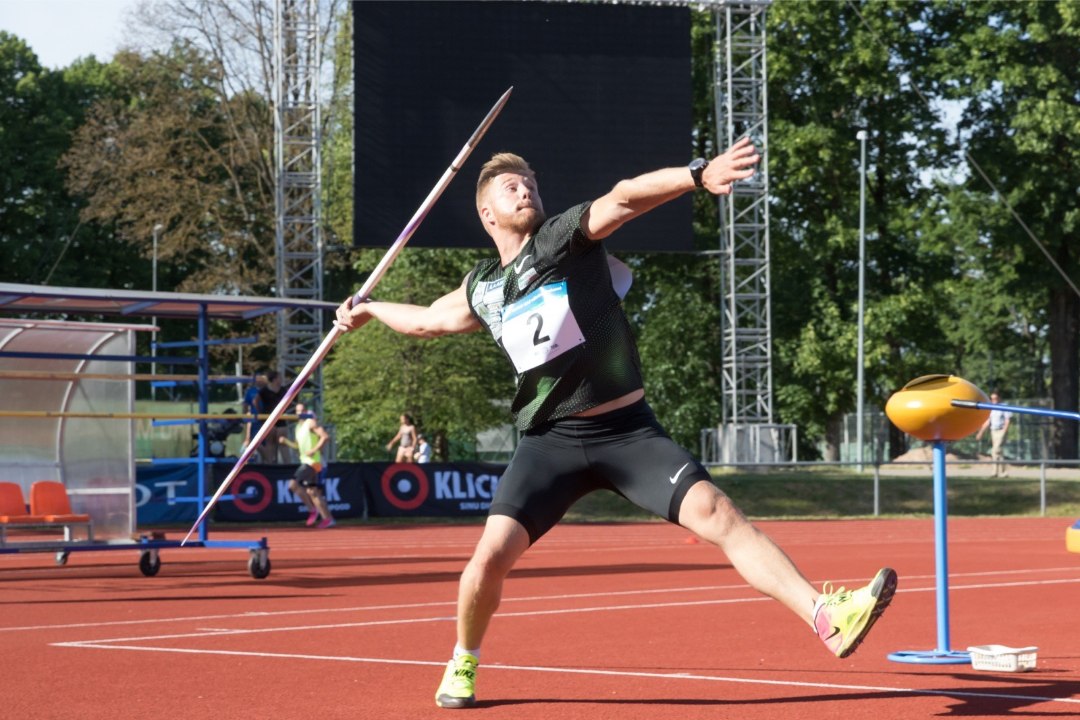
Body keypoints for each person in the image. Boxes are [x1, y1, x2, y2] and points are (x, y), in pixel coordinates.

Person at [334, 137, 897, 710]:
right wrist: (368, 310)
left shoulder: (560, 241)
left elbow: (624, 198)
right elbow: (430, 320)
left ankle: (827, 616)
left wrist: (696, 175)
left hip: (627, 432)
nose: (526, 189)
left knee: (720, 513)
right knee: (488, 558)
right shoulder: (484, 287)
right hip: (548, 444)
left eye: (530, 182)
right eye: (512, 186)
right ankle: (463, 661)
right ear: (487, 212)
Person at [279, 402, 335, 528]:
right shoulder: (298, 428)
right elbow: (298, 447)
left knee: (293, 485)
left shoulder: (310, 422)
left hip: (313, 463)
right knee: (313, 492)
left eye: (303, 410)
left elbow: (325, 437)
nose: (301, 413)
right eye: (298, 411)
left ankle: (312, 510)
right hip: (308, 462)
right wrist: (286, 442)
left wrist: (314, 450)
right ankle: (328, 519)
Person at [976, 390, 1012, 477]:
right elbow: (988, 421)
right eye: (992, 399)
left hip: (1001, 431)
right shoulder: (991, 408)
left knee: (995, 450)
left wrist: (1004, 431)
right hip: (993, 431)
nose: (994, 400)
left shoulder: (1004, 406)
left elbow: (1007, 420)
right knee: (999, 452)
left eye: (995, 398)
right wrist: (981, 432)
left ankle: (995, 471)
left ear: (999, 398)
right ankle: (1003, 472)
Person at [256, 370, 289, 463]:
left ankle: (287, 464)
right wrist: (261, 413)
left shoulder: (283, 390)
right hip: (269, 418)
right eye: (279, 378)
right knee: (270, 443)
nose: (281, 379)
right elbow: (256, 401)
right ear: (274, 379)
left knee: (282, 441)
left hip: (281, 418)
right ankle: (271, 463)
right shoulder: (265, 390)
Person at [241, 372, 267, 453]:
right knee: (255, 441)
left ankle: (268, 461)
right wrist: (245, 416)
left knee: (266, 442)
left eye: (260, 378)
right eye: (257, 379)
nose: (258, 380)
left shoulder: (268, 390)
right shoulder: (251, 391)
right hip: (255, 420)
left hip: (267, 419)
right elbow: (246, 405)